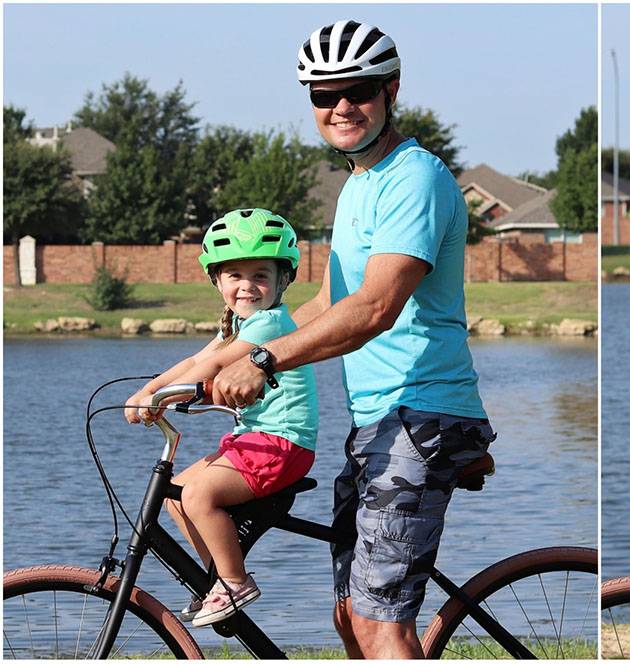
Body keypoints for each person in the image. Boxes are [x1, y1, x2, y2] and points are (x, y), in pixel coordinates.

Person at [211, 19, 493, 659]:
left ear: (391, 90)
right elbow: (324, 306)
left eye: (357, 90)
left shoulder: (413, 178)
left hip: (422, 415)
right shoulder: (359, 184)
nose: (340, 106)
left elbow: (374, 309)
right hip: (378, 423)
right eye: (323, 93)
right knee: (347, 616)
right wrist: (209, 366)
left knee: (380, 625)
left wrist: (262, 359)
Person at [124, 208, 318, 627]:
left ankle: (235, 581)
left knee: (198, 497)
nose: (247, 285)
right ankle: (217, 581)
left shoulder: (269, 324)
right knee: (178, 493)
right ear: (218, 281)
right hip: (256, 441)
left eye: (261, 275)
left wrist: (160, 397)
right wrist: (147, 391)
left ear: (284, 280)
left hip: (282, 444)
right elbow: (198, 359)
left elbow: (213, 369)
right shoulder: (238, 325)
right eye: (234, 275)